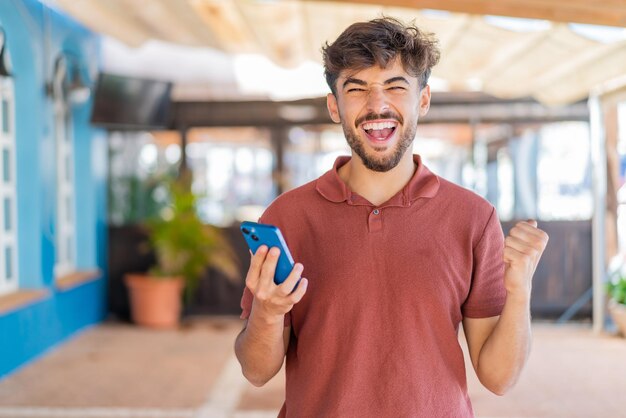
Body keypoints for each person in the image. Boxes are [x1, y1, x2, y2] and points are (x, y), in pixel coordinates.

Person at [235, 17, 549, 418]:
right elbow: (256, 371)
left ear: (423, 100)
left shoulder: (473, 218)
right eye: (357, 88)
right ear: (335, 106)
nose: (377, 105)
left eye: (396, 86)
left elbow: (499, 378)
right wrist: (268, 310)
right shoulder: (287, 217)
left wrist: (519, 291)